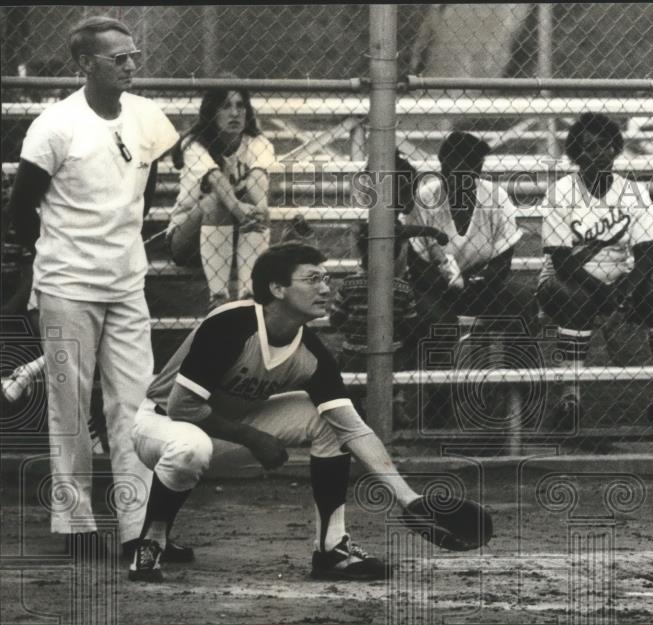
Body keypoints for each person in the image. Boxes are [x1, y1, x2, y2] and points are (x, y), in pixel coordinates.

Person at [128, 243, 439, 582]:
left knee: (330, 423)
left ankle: (332, 549)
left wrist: (409, 498)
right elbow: (181, 406)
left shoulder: (313, 353)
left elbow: (355, 430)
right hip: (161, 426)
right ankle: (152, 541)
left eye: (326, 278)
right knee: (190, 448)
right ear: (277, 288)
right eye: (312, 279)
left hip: (225, 429)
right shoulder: (232, 324)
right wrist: (250, 436)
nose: (325, 287)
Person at [4, 16, 179, 558]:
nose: (130, 65)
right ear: (84, 65)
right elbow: (20, 210)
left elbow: (145, 190)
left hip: (127, 282)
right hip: (66, 285)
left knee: (133, 405)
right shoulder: (55, 125)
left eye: (133, 55)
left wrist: (119, 247)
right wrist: (57, 257)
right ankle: (76, 525)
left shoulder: (148, 116)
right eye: (117, 58)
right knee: (69, 404)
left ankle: (138, 533)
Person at [535, 113, 653, 434]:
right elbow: (562, 261)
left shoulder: (632, 191)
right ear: (576, 154)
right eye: (587, 148)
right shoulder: (561, 191)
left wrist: (625, 290)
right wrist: (607, 296)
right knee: (575, 300)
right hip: (565, 281)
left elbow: (645, 258)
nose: (597, 155)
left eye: (604, 146)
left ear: (616, 149)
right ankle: (570, 399)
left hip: (619, 279)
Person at [402, 132, 539, 424]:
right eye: (455, 168)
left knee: (524, 300)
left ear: (479, 169)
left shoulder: (496, 196)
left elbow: (503, 260)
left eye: (470, 168)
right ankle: (440, 397)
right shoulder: (425, 198)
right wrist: (449, 285)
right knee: (435, 318)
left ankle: (517, 389)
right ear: (442, 166)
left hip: (482, 284)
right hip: (437, 287)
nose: (463, 175)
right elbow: (417, 266)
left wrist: (477, 283)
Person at [329, 221, 448, 428]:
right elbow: (411, 326)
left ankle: (356, 416)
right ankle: (393, 407)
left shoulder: (349, 284)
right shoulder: (402, 289)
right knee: (405, 347)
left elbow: (335, 319)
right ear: (397, 255)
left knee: (343, 365)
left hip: (352, 360)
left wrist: (354, 326)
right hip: (392, 363)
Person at [165, 87, 273, 311]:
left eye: (240, 105)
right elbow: (216, 180)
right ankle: (219, 298)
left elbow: (258, 177)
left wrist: (261, 209)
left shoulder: (257, 142)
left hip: (237, 240)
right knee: (217, 201)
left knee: (254, 201)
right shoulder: (194, 144)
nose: (234, 113)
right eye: (225, 106)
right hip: (188, 238)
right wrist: (239, 209)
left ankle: (248, 296)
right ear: (211, 112)